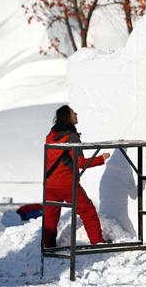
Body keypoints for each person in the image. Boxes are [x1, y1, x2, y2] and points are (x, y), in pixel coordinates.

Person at [43, 105, 110, 249]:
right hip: (67, 184)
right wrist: (101, 158)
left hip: (49, 183)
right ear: (68, 117)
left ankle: (47, 246)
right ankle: (98, 242)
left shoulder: (52, 134)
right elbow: (80, 163)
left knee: (50, 217)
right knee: (87, 210)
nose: (76, 114)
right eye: (73, 113)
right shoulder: (71, 136)